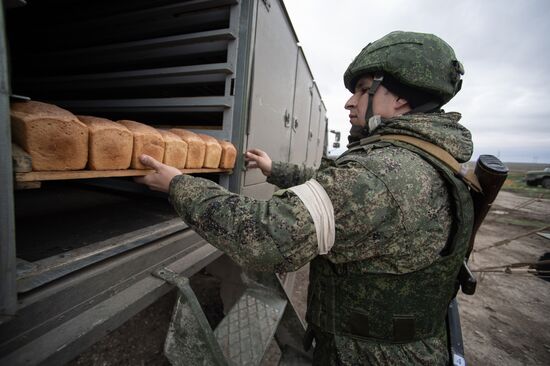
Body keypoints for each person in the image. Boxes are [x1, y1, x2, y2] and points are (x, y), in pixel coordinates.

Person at [136, 31, 474, 365]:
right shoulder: (422, 159)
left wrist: (179, 184)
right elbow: (336, 191)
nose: (350, 102)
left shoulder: (379, 174)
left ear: (399, 98)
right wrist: (274, 168)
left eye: (361, 89)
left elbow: (265, 237)